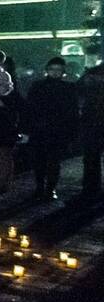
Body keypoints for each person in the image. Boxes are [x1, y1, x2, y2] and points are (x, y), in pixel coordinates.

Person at [25, 56, 79, 200]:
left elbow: (72, 112)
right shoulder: (39, 86)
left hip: (55, 130)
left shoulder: (67, 88)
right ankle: (43, 187)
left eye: (58, 70)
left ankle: (48, 188)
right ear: (47, 70)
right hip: (43, 129)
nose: (55, 73)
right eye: (52, 70)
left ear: (63, 72)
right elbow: (30, 108)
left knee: (52, 161)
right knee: (41, 161)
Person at [78, 60, 104, 198]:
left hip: (92, 120)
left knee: (91, 157)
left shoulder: (90, 74)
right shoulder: (91, 74)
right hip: (94, 119)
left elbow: (79, 94)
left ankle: (91, 188)